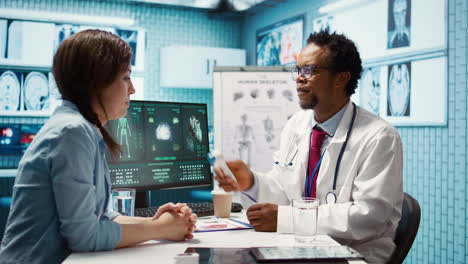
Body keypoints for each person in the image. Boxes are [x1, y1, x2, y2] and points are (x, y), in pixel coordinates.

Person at [0, 29, 197, 264]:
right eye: (126, 77)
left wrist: (159, 223)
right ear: (97, 80)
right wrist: (160, 229)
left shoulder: (84, 129)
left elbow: (103, 217)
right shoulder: (71, 132)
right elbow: (84, 236)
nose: (132, 89)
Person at [215, 31, 403, 264]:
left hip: (354, 255)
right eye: (298, 70)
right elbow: (283, 189)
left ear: (341, 78)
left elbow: (369, 217)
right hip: (302, 248)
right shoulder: (297, 124)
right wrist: (251, 182)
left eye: (310, 70)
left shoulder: (379, 137)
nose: (299, 78)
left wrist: (288, 219)